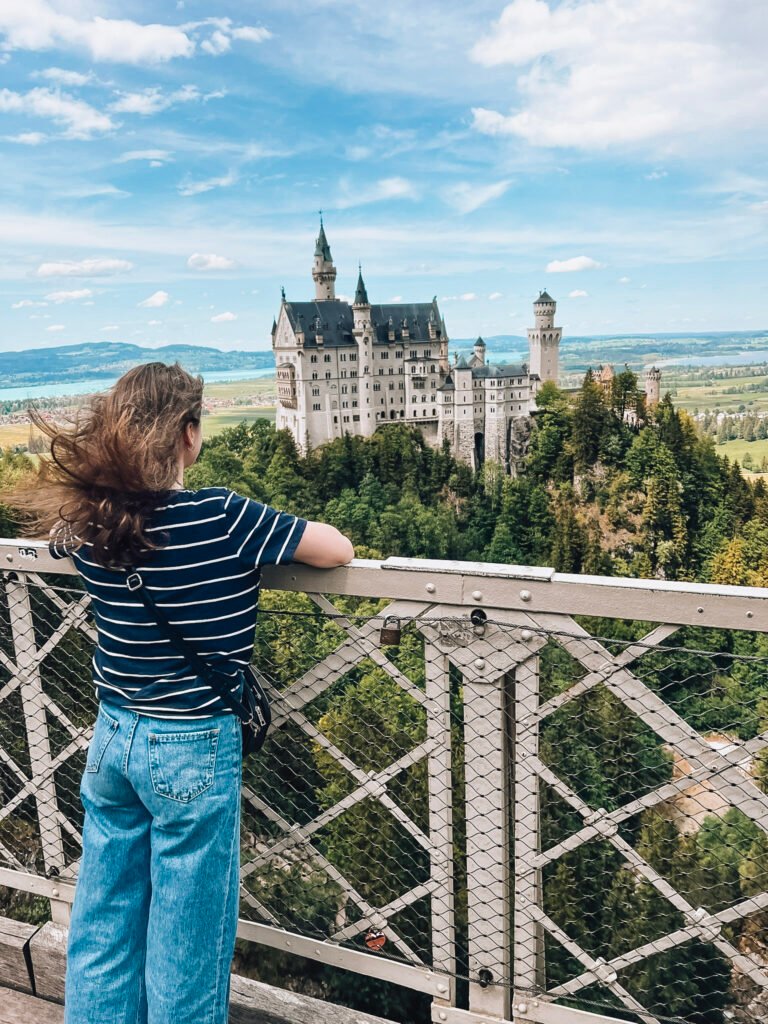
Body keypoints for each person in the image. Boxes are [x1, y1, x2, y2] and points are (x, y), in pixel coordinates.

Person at [6, 362, 353, 1024]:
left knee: (104, 922)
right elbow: (335, 548)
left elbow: (61, 540)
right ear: (190, 435)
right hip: (192, 745)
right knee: (186, 940)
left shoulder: (92, 524)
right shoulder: (221, 516)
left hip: (114, 738)